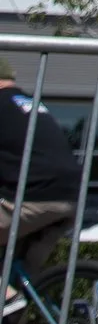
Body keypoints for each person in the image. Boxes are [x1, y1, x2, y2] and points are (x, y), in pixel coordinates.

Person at [0, 58, 80, 270]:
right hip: (70, 199)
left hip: (30, 200)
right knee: (17, 278)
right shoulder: (29, 103)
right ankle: (15, 295)